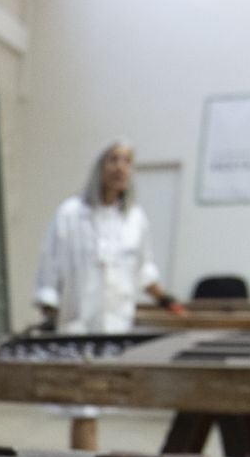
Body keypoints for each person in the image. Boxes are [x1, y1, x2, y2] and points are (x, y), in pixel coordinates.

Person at [33, 140, 185, 333]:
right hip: (75, 326)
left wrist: (166, 300)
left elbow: (143, 270)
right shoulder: (69, 214)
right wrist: (49, 309)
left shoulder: (135, 219)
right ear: (99, 167)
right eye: (113, 159)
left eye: (127, 161)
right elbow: (49, 267)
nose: (120, 167)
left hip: (118, 325)